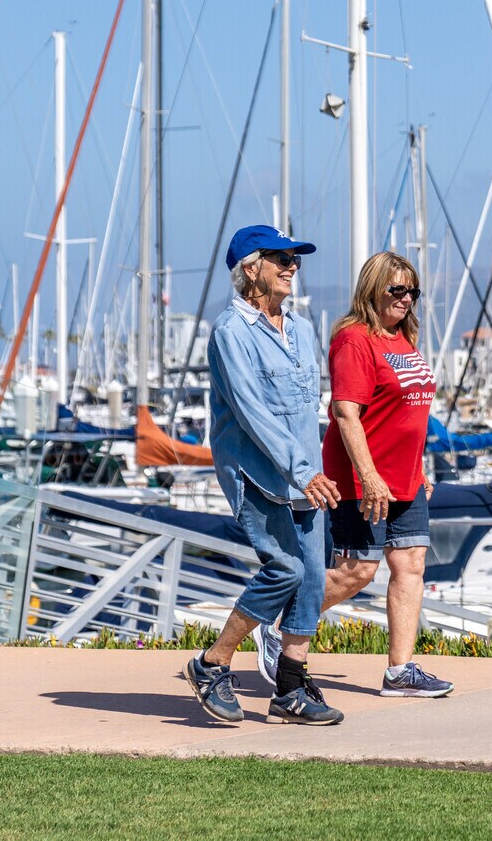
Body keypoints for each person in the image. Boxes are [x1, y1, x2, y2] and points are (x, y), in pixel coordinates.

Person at [257, 250, 453, 698]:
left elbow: (409, 412)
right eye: (397, 289)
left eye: (412, 291)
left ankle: (400, 671)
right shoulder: (354, 339)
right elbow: (346, 413)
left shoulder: (401, 339)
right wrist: (369, 477)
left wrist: (418, 466)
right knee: (356, 571)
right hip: (363, 480)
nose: (406, 299)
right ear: (373, 288)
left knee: (411, 564)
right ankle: (274, 622)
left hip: (403, 478)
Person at [181, 224, 344, 726]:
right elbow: (253, 414)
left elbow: (307, 409)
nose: (292, 266)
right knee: (286, 570)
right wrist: (301, 470)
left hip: (305, 477)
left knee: (314, 577)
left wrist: (321, 469)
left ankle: (290, 689)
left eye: (296, 259)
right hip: (259, 476)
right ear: (250, 270)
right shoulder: (231, 334)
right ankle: (211, 664)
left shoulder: (299, 328)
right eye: (281, 258)